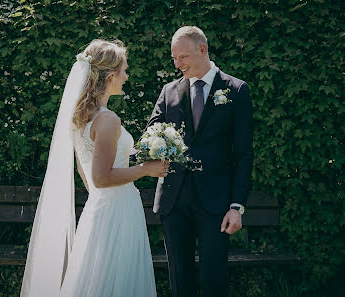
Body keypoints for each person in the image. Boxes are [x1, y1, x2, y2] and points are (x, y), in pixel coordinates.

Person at [20, 39, 169, 297]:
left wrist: (103, 199)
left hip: (99, 208)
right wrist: (146, 169)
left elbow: (85, 173)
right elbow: (102, 178)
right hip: (118, 209)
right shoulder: (107, 119)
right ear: (111, 76)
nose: (126, 76)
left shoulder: (82, 117)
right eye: (124, 70)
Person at [146, 26, 253, 297]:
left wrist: (236, 206)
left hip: (216, 202)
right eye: (174, 59)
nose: (177, 64)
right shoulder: (169, 91)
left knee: (212, 278)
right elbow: (150, 134)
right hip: (174, 199)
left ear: (202, 50)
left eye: (182, 57)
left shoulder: (236, 90)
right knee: (180, 281)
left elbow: (243, 153)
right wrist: (154, 148)